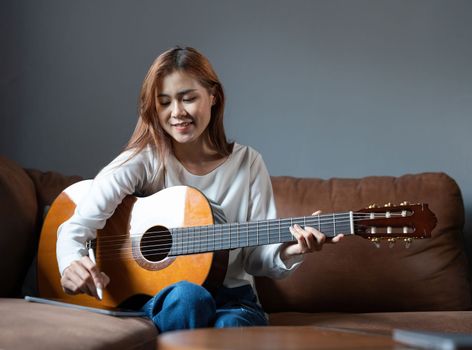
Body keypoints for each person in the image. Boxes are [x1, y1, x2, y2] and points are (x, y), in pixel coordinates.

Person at [56, 46, 343, 332]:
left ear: (213, 96)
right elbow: (76, 226)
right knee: (189, 297)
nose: (177, 112)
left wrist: (291, 250)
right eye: (164, 102)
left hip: (233, 300)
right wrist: (71, 262)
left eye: (188, 98)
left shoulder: (247, 162)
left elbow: (256, 258)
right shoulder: (146, 160)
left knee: (233, 324)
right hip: (161, 299)